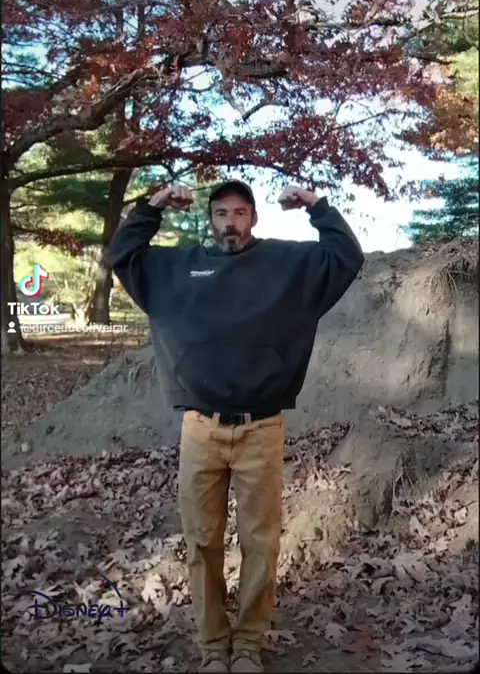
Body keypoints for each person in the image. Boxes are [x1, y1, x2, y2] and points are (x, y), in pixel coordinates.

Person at [109, 179, 364, 673]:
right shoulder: (178, 268)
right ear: (210, 220)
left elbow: (345, 257)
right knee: (202, 542)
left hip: (260, 429)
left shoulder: (286, 264)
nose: (231, 222)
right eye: (222, 213)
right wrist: (153, 205)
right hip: (200, 430)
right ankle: (212, 646)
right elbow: (124, 254)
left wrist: (317, 206)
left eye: (240, 212)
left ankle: (248, 643)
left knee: (260, 543)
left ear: (254, 218)